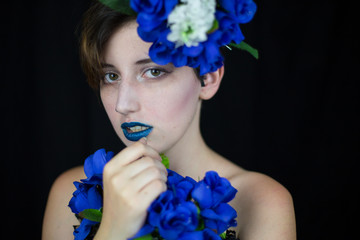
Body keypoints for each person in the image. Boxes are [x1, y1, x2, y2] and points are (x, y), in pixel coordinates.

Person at [42, 1, 296, 239]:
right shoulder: (74, 193)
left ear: (208, 78)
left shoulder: (260, 202)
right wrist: (112, 230)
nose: (123, 104)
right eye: (110, 76)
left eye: (153, 71)